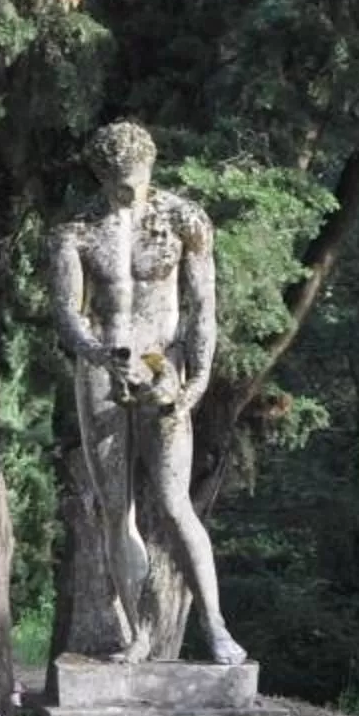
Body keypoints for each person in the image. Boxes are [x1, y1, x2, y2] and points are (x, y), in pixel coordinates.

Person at [45, 120, 245, 666]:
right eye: (116, 182)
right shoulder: (76, 232)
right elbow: (67, 311)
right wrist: (98, 352)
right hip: (104, 370)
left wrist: (197, 378)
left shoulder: (183, 220)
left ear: (150, 168)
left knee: (176, 504)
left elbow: (204, 306)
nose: (128, 191)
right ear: (101, 176)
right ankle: (136, 636)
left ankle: (215, 624)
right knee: (116, 509)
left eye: (135, 179)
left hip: (162, 367)